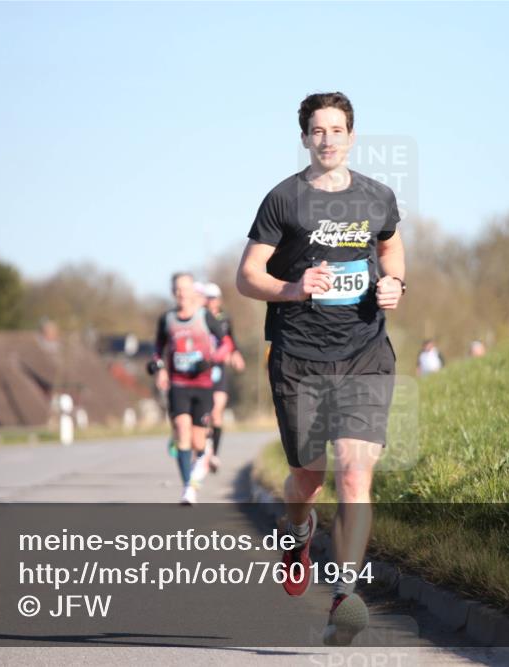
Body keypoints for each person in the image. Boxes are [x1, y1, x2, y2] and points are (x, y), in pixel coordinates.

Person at [236, 92, 405, 645]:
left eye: (337, 129)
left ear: (352, 137)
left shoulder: (378, 197)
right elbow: (247, 276)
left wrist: (394, 284)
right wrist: (292, 287)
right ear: (305, 138)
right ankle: (297, 530)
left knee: (355, 472)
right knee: (309, 476)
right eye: (317, 130)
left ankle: (344, 596)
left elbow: (392, 248)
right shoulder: (283, 200)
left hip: (364, 352)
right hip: (299, 356)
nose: (327, 139)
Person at [152, 272, 235, 505]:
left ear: (193, 292)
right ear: (173, 293)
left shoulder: (204, 316)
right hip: (178, 384)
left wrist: (211, 360)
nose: (181, 293)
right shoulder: (167, 319)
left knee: (199, 443)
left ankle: (207, 449)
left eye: (185, 289)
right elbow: (158, 348)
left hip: (203, 384)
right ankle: (188, 487)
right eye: (177, 289)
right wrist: (159, 368)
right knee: (181, 430)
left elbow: (227, 342)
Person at [203, 282, 246, 473]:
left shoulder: (225, 318)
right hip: (201, 371)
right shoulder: (199, 317)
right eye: (207, 298)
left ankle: (214, 454)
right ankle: (203, 448)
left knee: (217, 413)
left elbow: (231, 340)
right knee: (205, 415)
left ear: (219, 300)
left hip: (219, 370)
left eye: (213, 298)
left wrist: (235, 355)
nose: (210, 301)